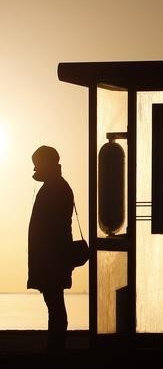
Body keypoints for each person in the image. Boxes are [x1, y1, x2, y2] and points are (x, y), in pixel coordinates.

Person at [27, 145, 74, 352]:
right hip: (52, 258)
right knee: (55, 304)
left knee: (54, 306)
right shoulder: (57, 186)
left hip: (51, 259)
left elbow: (52, 230)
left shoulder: (55, 189)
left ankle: (56, 349)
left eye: (37, 164)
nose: (35, 169)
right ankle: (56, 347)